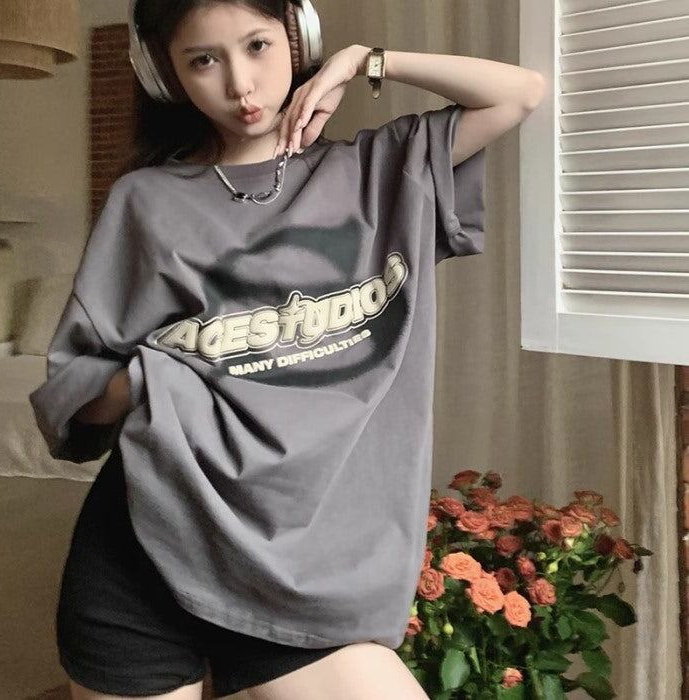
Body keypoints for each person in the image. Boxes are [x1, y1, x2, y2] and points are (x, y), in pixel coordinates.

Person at [29, 0, 543, 697]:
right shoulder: (145, 201)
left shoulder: (381, 172)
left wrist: (363, 61)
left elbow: (520, 92)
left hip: (305, 568)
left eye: (258, 45)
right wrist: (155, 373)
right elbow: (77, 396)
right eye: (203, 60)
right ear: (166, 74)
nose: (240, 84)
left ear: (299, 36)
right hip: (145, 546)